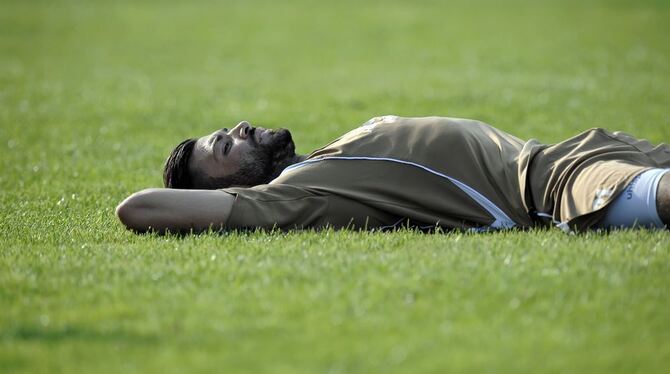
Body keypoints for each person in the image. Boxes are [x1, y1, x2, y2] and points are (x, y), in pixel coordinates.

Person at [116, 116, 670, 234]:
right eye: (224, 144)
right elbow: (137, 208)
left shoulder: (323, 159)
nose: (238, 126)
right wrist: (235, 200)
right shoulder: (294, 195)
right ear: (232, 185)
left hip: (579, 151)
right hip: (554, 189)